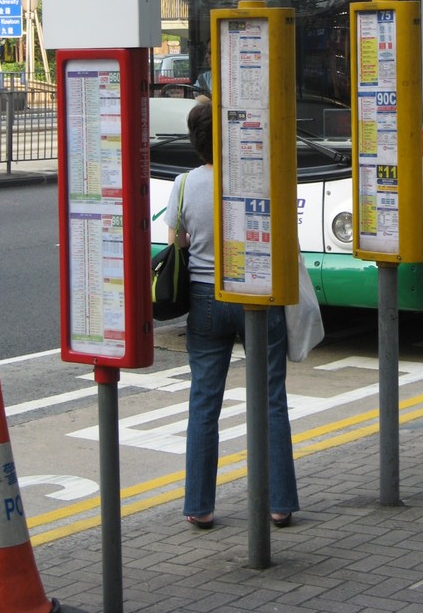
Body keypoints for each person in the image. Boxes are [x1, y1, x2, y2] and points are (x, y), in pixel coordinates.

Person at [164, 100, 299, 529]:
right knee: (270, 398)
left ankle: (199, 506)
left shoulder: (183, 185)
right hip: (256, 293)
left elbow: (178, 243)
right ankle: (279, 504)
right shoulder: (258, 177)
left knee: (204, 401)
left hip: (204, 299)